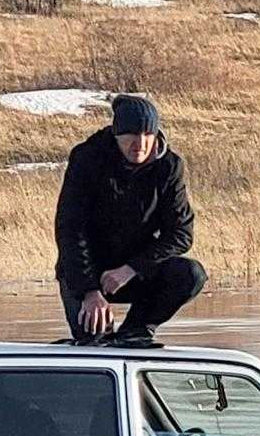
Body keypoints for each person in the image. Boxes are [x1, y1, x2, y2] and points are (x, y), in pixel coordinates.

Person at [54, 94, 207, 347]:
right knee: (94, 344)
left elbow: (181, 233)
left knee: (191, 274)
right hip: (88, 271)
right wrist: (90, 291)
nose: (140, 144)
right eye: (131, 135)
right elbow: (70, 230)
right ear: (116, 135)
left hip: (137, 270)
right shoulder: (87, 158)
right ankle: (94, 338)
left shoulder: (169, 167)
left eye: (148, 135)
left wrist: (132, 268)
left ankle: (136, 330)